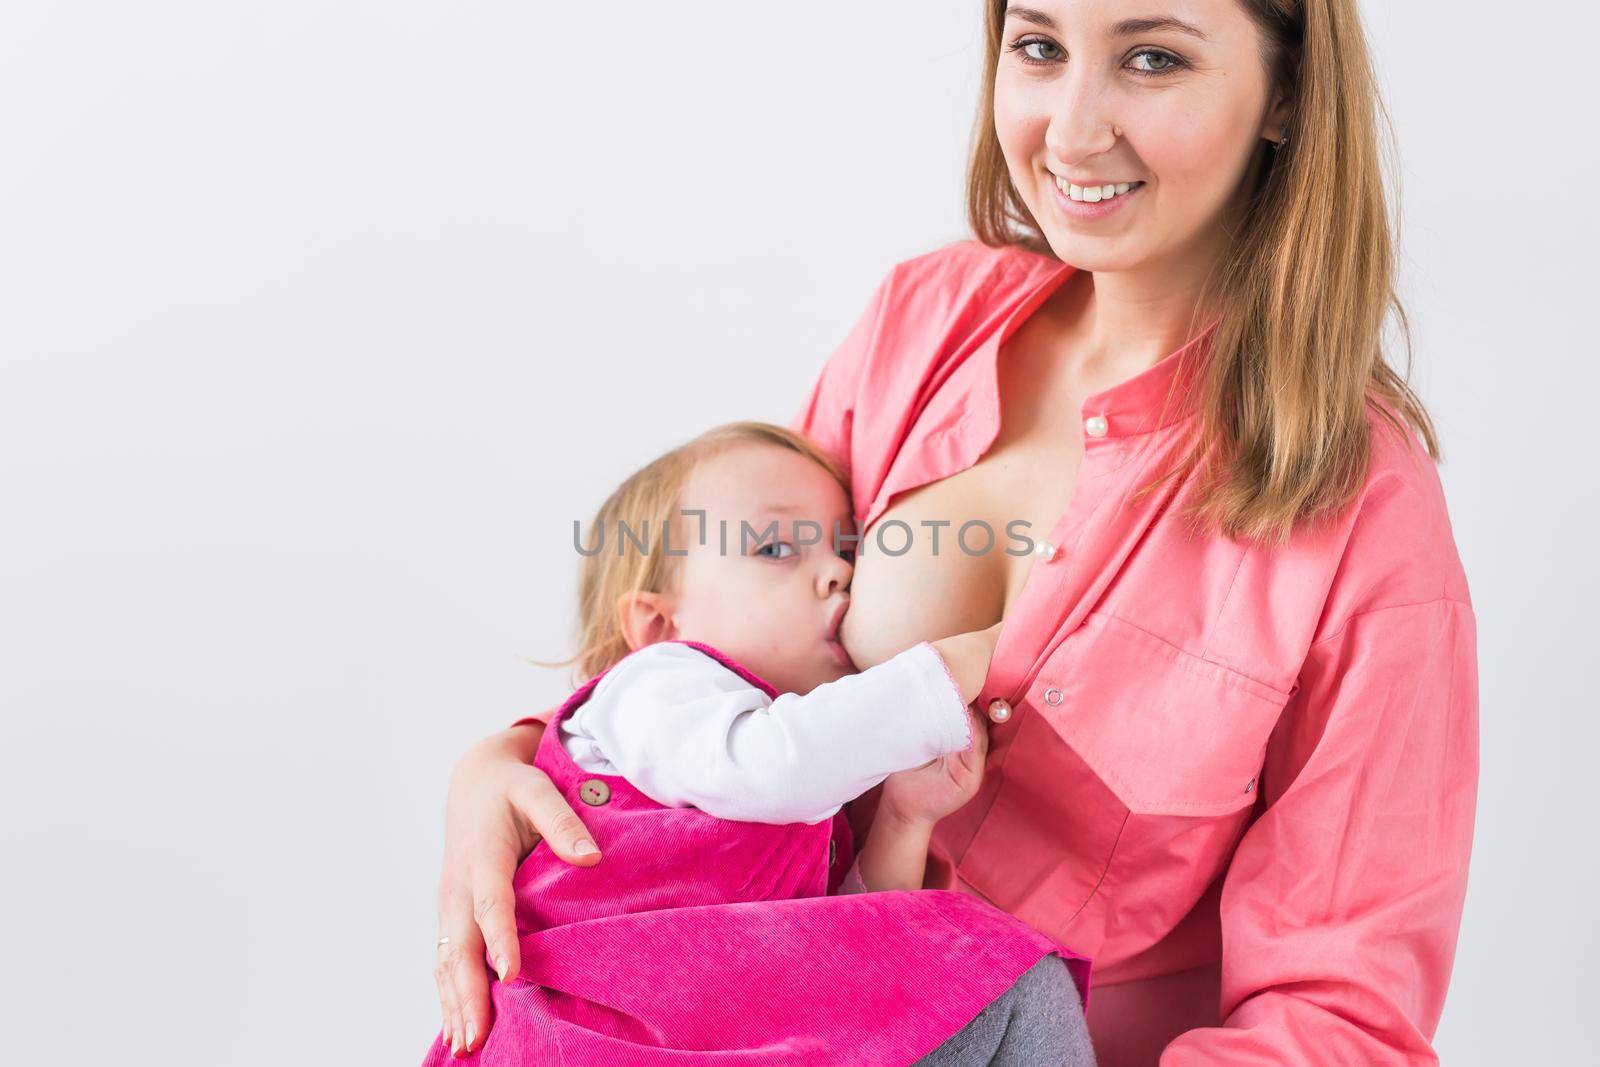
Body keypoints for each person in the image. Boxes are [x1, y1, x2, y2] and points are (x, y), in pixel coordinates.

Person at [432, 2, 1479, 1063]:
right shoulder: (920, 322)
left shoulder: (1361, 509)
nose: (1072, 129)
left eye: (1152, 59)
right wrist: (508, 761)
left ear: (1289, 94)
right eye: (1038, 47)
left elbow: (1342, 1013)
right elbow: (717, 654)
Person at [420, 420, 1094, 1064]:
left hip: (713, 1032)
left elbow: (841, 944)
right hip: (590, 1035)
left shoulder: (784, 752)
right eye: (776, 549)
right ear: (657, 621)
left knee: (995, 980)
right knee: (1004, 975)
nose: (836, 572)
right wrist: (975, 654)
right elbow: (775, 764)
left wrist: (901, 818)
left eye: (846, 550)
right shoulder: (652, 687)